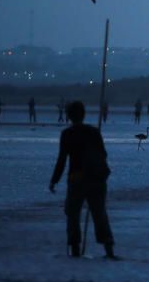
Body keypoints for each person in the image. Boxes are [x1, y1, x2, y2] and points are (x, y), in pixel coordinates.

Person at [49, 101, 116, 259]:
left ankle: (75, 249)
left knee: (73, 214)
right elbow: (103, 154)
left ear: (69, 116)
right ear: (83, 114)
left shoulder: (67, 134)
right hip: (97, 180)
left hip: (77, 180)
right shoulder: (93, 132)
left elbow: (62, 160)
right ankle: (109, 249)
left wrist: (54, 180)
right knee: (99, 214)